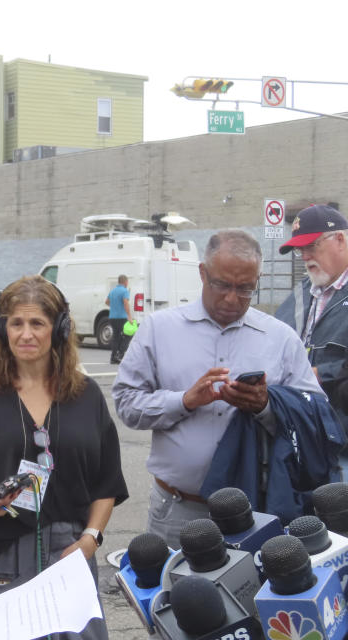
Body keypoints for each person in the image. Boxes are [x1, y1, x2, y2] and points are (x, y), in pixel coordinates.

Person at [112, 229, 322, 549]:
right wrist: (184, 401)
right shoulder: (159, 329)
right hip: (179, 510)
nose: (231, 298)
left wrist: (267, 405)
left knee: (247, 599)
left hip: (255, 513)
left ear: (257, 280)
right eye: (222, 284)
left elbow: (315, 415)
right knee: (173, 598)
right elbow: (126, 403)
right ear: (202, 273)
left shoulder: (280, 338)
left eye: (245, 288)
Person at [0, 275, 128, 640]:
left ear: (58, 329)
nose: (25, 334)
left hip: (69, 556)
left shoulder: (87, 395)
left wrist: (91, 539)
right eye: (16, 323)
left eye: (37, 324)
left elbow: (107, 482)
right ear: (2, 328)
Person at [274, 204, 348, 478]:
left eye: (311, 246)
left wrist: (316, 374)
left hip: (342, 446)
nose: (304, 256)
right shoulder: (303, 291)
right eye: (299, 249)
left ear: (339, 239)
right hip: (300, 439)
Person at [105, 274, 134, 364]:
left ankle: (113, 357)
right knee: (128, 335)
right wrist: (129, 316)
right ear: (125, 282)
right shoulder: (125, 291)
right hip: (122, 317)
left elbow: (106, 302)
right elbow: (126, 303)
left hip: (112, 317)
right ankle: (120, 354)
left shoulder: (113, 291)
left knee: (116, 337)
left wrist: (114, 307)